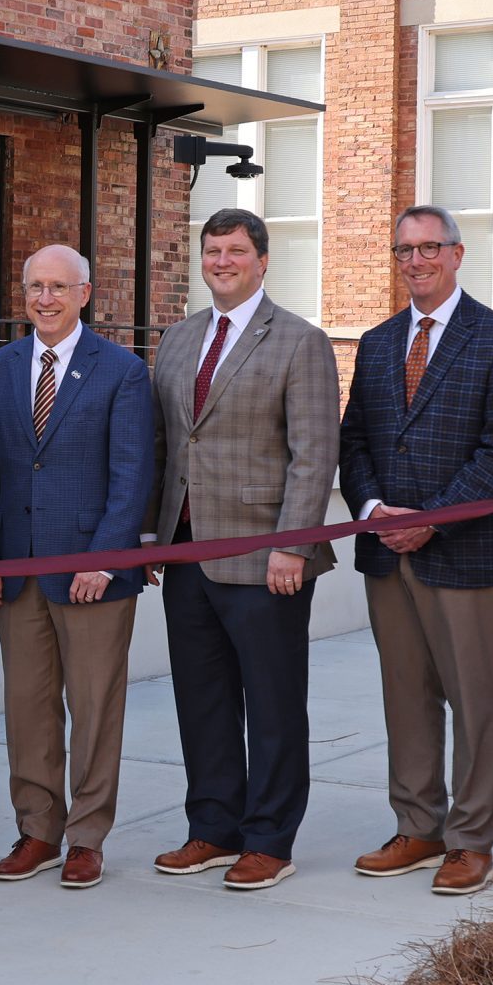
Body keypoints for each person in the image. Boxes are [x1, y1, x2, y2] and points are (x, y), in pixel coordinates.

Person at [337, 205, 493, 897]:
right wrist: (371, 511)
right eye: (404, 250)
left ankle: (471, 840)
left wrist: (433, 520)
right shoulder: (378, 341)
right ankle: (418, 826)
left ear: (456, 254)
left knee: (472, 701)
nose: (415, 261)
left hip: (468, 553)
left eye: (429, 248)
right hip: (387, 552)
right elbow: (354, 439)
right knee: (406, 697)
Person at [146, 208, 337, 892]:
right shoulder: (178, 339)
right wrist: (149, 537)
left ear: (261, 260)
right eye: (212, 251)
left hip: (266, 558)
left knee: (274, 701)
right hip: (185, 550)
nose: (221, 261)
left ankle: (270, 837)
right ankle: (214, 827)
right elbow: (167, 445)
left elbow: (314, 456)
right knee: (202, 698)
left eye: (234, 251)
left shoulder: (299, 341)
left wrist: (292, 545)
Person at [0, 244, 154, 893]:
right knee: (27, 705)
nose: (45, 298)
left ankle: (87, 837)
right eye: (35, 287)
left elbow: (132, 475)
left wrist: (104, 557)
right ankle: (39, 830)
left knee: (96, 706)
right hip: (16, 568)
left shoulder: (122, 370)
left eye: (58, 287)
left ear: (84, 293)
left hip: (92, 573)